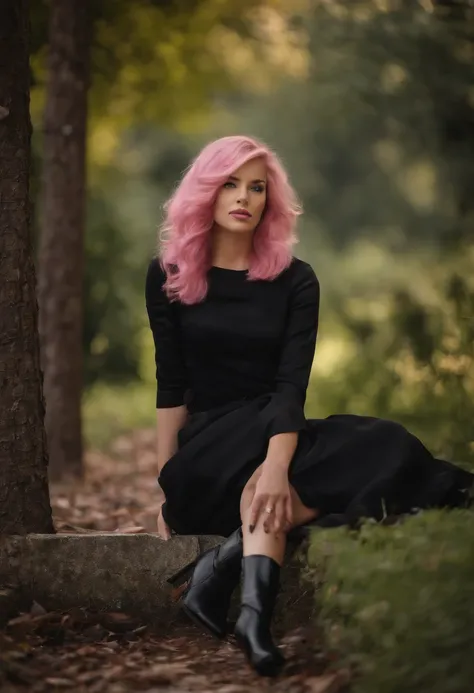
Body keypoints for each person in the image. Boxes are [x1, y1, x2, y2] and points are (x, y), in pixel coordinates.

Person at [145, 135, 473, 677]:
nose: (243, 197)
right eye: (230, 183)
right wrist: (166, 481)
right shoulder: (168, 274)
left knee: (382, 442)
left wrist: (275, 468)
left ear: (270, 201)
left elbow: (289, 387)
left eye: (256, 187)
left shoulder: (295, 280)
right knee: (333, 463)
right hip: (207, 447)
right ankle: (218, 579)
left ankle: (242, 607)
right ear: (206, 190)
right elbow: (170, 383)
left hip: (271, 430)